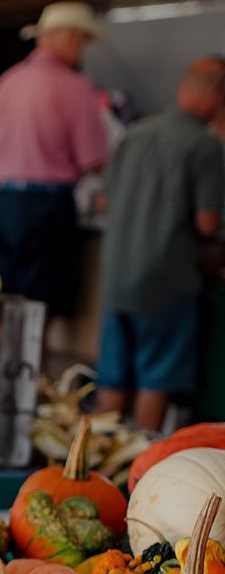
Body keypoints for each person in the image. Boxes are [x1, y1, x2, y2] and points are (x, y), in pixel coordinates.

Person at [96, 57, 225, 431]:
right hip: (165, 282)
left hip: (117, 277)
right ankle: (139, 467)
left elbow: (103, 200)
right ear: (217, 96)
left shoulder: (134, 133)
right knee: (156, 375)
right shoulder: (205, 147)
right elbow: (208, 223)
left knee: (113, 374)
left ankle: (102, 460)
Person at [0, 1, 110, 315]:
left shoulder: (7, 81)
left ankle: (1, 361)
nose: (82, 50)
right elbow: (94, 160)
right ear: (71, 38)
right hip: (45, 208)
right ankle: (31, 365)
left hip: (0, 202)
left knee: (4, 297)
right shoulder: (75, 87)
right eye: (82, 42)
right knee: (38, 306)